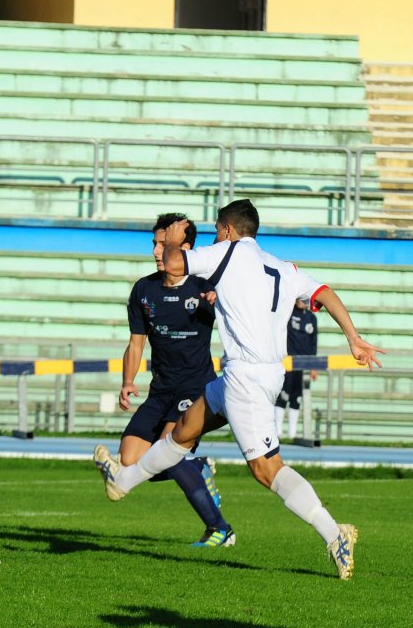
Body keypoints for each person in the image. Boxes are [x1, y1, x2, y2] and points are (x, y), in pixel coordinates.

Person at [94, 199, 384, 580]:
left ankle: (335, 534)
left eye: (217, 231)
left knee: (267, 470)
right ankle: (122, 480)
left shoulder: (227, 253)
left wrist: (175, 240)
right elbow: (325, 292)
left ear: (228, 230)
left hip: (246, 380)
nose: (215, 238)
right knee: (183, 430)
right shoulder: (281, 266)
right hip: (254, 375)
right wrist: (353, 337)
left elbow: (175, 264)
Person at [119, 212, 233, 547]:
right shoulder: (144, 289)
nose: (157, 251)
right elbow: (136, 342)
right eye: (154, 244)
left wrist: (219, 300)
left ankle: (220, 529)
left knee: (166, 450)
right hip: (159, 391)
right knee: (129, 461)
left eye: (163, 244)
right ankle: (198, 467)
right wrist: (127, 382)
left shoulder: (205, 286)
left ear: (185, 250)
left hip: (195, 389)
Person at [274, 298, 318, 439]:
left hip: (303, 363)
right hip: (287, 361)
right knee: (282, 395)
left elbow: (313, 343)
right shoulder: (288, 313)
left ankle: (292, 433)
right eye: (300, 298)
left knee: (297, 397)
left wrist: (313, 365)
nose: (302, 301)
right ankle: (278, 431)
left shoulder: (311, 318)